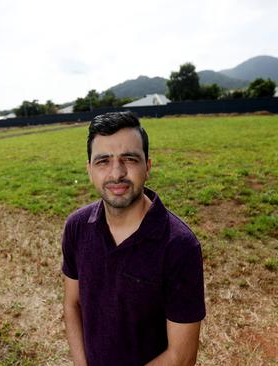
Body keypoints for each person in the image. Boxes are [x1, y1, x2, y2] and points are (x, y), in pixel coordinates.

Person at [62, 111, 206, 365]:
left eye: (129, 158)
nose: (116, 173)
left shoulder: (179, 246)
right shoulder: (76, 227)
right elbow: (72, 304)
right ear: (89, 170)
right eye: (103, 161)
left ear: (147, 167)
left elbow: (182, 357)